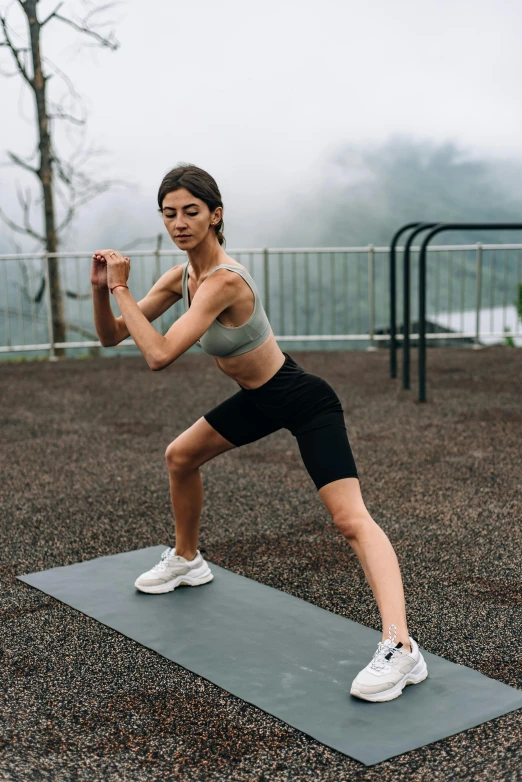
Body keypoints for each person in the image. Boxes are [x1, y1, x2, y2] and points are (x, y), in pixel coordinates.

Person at [91, 163, 427, 702]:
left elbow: (157, 355)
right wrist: (102, 290)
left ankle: (402, 647)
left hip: (301, 397)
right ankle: (187, 559)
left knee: (350, 519)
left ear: (215, 215)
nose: (178, 223)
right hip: (257, 399)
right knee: (180, 457)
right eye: (169, 213)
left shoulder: (224, 280)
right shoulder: (181, 278)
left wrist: (122, 285)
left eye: (190, 212)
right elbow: (111, 336)